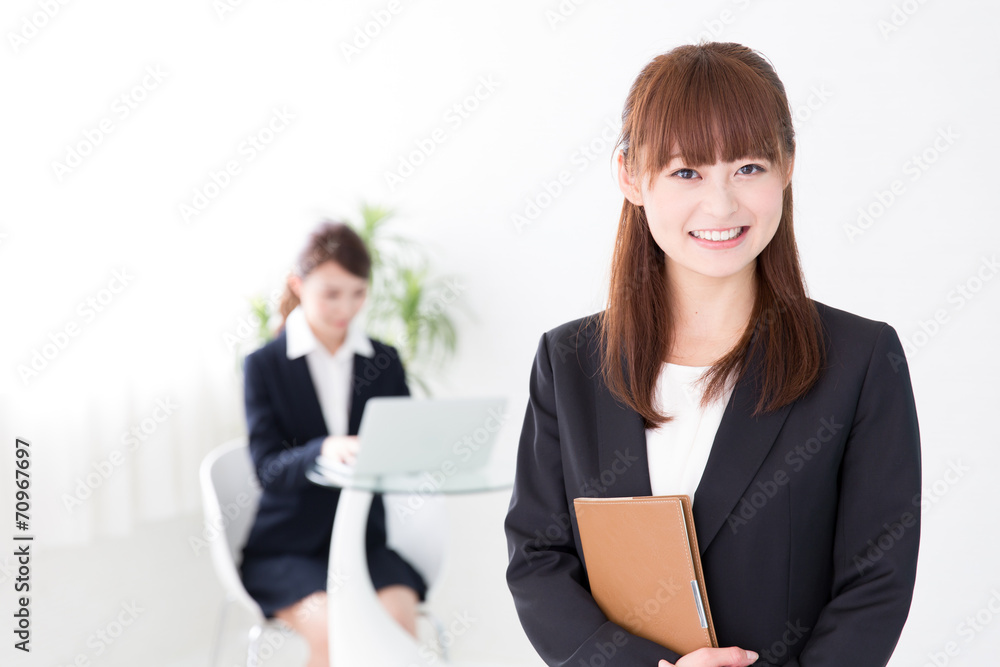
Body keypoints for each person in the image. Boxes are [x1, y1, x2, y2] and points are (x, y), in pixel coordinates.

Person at [504, 42, 921, 667]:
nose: (722, 205)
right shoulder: (569, 360)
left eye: (749, 167)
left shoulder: (860, 361)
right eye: (686, 172)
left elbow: (875, 583)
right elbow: (538, 559)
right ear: (630, 177)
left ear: (787, 166)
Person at [239, 221, 428, 667]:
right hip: (287, 549)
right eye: (331, 293)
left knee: (398, 628)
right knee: (332, 635)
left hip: (364, 542)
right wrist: (323, 448)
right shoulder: (264, 366)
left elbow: (402, 442)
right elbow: (267, 469)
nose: (346, 308)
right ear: (297, 285)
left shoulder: (382, 361)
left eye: (357, 293)